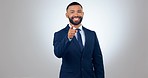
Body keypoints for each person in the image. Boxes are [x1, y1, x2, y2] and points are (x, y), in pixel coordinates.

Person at [53, 2, 104, 78]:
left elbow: (98, 60)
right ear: (67, 15)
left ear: (83, 14)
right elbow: (58, 53)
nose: (76, 15)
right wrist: (68, 38)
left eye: (79, 11)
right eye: (72, 12)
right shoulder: (59, 34)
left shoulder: (91, 34)